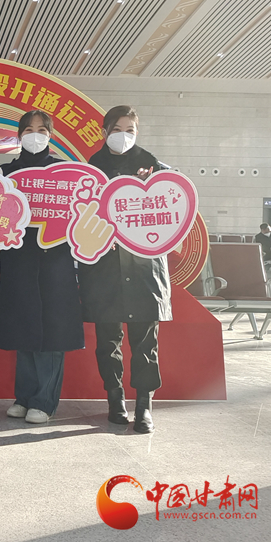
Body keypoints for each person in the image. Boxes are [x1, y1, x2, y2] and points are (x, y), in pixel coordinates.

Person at [77, 105, 171, 434]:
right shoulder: (91, 170)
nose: (124, 136)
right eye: (117, 129)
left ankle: (144, 405)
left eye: (130, 130)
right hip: (105, 268)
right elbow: (82, 216)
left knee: (145, 342)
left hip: (144, 268)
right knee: (108, 339)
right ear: (104, 132)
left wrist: (153, 185)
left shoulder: (154, 166)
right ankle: (115, 399)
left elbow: (173, 206)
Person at [0, 110, 84, 424]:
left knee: (51, 331)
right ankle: (24, 396)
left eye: (42, 130)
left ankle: (45, 400)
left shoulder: (66, 172)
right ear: (19, 135)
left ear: (51, 135)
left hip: (54, 261)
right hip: (18, 259)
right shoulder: (6, 173)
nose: (35, 136)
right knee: (24, 327)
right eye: (29, 130)